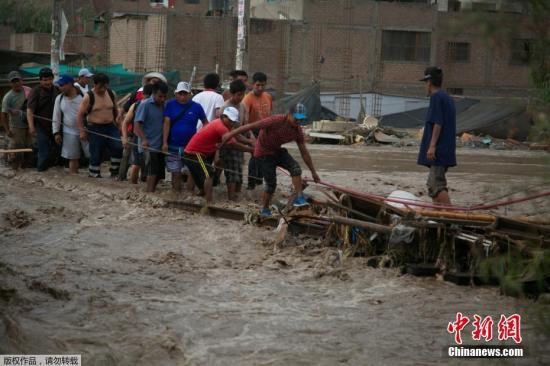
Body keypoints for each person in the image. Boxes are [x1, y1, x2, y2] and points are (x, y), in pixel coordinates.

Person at [221, 103, 320, 217]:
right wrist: (230, 134)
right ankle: (265, 209)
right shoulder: (276, 120)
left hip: (277, 150)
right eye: (296, 118)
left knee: (296, 169)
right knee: (271, 184)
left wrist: (314, 172)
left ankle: (299, 197)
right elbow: (250, 126)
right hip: (263, 152)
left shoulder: (297, 131)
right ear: (289, 114)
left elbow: (304, 152)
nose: (298, 122)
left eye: (301, 119)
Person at [184, 107, 253, 204]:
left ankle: (192, 196)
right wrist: (250, 149)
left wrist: (250, 142)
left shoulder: (223, 124)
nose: (232, 123)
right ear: (223, 117)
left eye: (233, 121)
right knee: (209, 174)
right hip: (194, 154)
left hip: (197, 153)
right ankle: (209, 202)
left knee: (197, 176)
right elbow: (233, 144)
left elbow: (236, 135)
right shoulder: (221, 127)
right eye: (230, 120)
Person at [418, 66, 456, 205]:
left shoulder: (436, 97)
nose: (425, 86)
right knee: (432, 184)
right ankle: (439, 217)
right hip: (445, 149)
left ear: (429, 82)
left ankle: (450, 217)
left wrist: (432, 146)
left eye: (425, 83)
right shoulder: (446, 98)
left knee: (437, 185)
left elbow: (438, 123)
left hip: (439, 150)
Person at [162, 81, 208, 192]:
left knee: (191, 173)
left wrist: (203, 140)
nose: (183, 97)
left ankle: (189, 196)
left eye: (185, 94)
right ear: (176, 93)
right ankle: (176, 195)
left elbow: (206, 124)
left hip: (191, 147)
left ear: (190, 94)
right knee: (175, 173)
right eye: (180, 94)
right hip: (173, 146)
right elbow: (166, 124)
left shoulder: (197, 107)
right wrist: (164, 143)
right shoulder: (170, 105)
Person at [76, 73, 122, 178]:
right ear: (95, 85)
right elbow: (79, 115)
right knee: (96, 152)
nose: (103, 89)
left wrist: (119, 123)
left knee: (118, 147)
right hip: (95, 128)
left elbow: (116, 108)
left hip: (111, 126)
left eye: (105, 86)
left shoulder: (111, 93)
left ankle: (115, 171)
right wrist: (82, 131)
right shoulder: (89, 96)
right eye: (101, 86)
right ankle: (94, 174)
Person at [219, 79, 254, 200]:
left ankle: (237, 195)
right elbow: (225, 131)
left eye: (242, 94)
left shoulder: (243, 106)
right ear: (231, 94)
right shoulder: (224, 108)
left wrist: (252, 139)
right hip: (228, 142)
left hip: (239, 140)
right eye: (238, 94)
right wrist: (248, 144)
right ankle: (231, 198)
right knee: (231, 170)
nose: (241, 97)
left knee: (239, 169)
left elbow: (244, 126)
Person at [133, 81, 168, 192]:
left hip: (160, 145)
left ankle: (151, 191)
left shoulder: (164, 105)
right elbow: (137, 126)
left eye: (164, 96)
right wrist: (143, 140)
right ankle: (149, 193)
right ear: (153, 93)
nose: (162, 99)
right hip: (148, 145)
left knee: (159, 173)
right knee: (152, 171)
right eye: (160, 96)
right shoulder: (145, 105)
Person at [242, 71, 272, 189]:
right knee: (255, 156)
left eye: (263, 85)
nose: (260, 88)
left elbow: (270, 115)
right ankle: (251, 184)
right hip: (252, 130)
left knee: (264, 157)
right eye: (258, 85)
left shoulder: (268, 96)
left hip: (265, 130)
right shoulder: (247, 99)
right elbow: (245, 121)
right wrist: (250, 135)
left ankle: (260, 183)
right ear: (252, 84)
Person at [52, 75, 88, 174]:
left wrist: (84, 130)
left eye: (62, 85)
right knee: (72, 157)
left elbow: (90, 114)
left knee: (92, 155)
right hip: (68, 131)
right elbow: (56, 117)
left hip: (85, 130)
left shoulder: (84, 96)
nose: (60, 87)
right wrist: (56, 133)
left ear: (70, 84)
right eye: (59, 85)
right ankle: (74, 178)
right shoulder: (59, 99)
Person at [27, 67, 59, 172]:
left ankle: (50, 174)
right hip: (40, 126)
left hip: (55, 126)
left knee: (56, 150)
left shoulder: (56, 90)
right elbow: (30, 110)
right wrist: (31, 127)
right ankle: (40, 172)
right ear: (40, 80)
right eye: (45, 80)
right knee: (44, 151)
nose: (48, 82)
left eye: (50, 79)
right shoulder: (35, 91)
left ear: (53, 79)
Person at [121, 84, 154, 184]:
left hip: (148, 138)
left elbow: (125, 122)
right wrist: (125, 137)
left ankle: (136, 185)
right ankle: (133, 184)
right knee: (136, 164)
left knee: (141, 164)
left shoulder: (155, 105)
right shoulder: (136, 105)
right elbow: (125, 122)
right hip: (137, 137)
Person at [1, 71, 32, 169]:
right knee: (16, 152)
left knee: (29, 149)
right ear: (10, 83)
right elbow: (3, 114)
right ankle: (15, 170)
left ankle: (26, 171)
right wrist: (7, 130)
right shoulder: (8, 97)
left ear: (21, 81)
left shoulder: (29, 91)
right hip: (16, 127)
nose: (16, 83)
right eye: (13, 82)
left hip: (29, 125)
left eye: (17, 81)